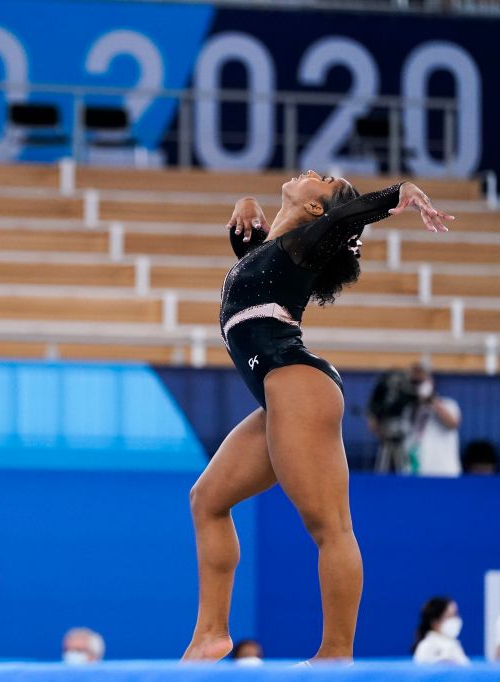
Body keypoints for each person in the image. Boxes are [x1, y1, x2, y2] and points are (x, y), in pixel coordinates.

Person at [182, 171, 454, 664]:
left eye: (323, 180)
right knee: (208, 500)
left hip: (299, 385)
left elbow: (345, 218)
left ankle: (336, 654)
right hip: (280, 395)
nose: (312, 173)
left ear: (315, 210)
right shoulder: (278, 253)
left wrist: (399, 194)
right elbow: (252, 259)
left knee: (330, 526)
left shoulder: (305, 244)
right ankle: (210, 634)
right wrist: (246, 203)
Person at [404, 364, 461, 477]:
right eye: (414, 383)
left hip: (444, 474)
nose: (417, 386)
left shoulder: (448, 404)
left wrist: (431, 399)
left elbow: (453, 423)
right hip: (415, 473)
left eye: (420, 382)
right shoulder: (407, 410)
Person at [367, 369, 418, 472]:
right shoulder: (382, 391)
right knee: (384, 463)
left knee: (404, 467)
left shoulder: (408, 393)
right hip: (388, 434)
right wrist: (375, 419)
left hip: (405, 437)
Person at [413, 596, 470, 665]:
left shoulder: (454, 644)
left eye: (456, 615)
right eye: (450, 616)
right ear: (435, 622)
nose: (455, 619)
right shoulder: (426, 646)